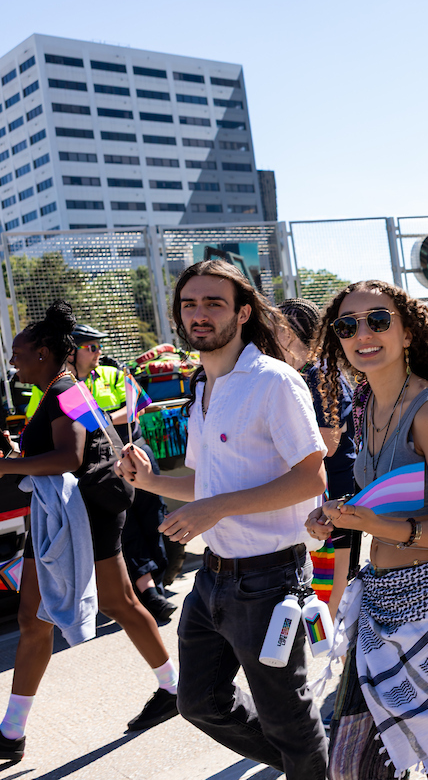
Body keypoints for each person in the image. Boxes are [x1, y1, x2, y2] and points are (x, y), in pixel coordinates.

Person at [116, 261, 329, 779]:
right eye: (190, 304)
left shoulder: (273, 382)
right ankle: (321, 766)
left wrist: (216, 508)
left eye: (214, 303)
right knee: (199, 703)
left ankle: (316, 765)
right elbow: (203, 484)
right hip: (212, 579)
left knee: (289, 720)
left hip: (270, 580)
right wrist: (148, 481)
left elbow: (312, 480)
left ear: (243, 312)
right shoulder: (203, 389)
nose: (200, 314)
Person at [306, 280, 428, 779]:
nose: (362, 333)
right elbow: (381, 497)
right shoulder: (366, 403)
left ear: (407, 332)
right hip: (381, 602)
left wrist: (377, 525)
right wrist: (338, 514)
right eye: (348, 325)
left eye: (378, 320)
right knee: (352, 765)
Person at [0, 302, 179, 763]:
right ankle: (11, 730)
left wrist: (8, 464)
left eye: (18, 354)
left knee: (98, 606)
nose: (13, 363)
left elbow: (70, 457)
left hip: (82, 515)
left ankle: (12, 732)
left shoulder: (62, 391)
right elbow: (83, 443)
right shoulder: (68, 389)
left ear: (43, 352)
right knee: (45, 615)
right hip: (82, 512)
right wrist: (20, 449)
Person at [25, 324, 177, 622]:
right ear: (73, 351)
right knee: (128, 527)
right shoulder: (57, 386)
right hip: (103, 467)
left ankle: (155, 583)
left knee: (152, 516)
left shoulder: (110, 373)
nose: (98, 352)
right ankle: (149, 592)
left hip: (135, 451)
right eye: (91, 347)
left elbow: (140, 405)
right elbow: (35, 421)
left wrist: (100, 418)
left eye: (99, 347)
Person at [277, 297, 357, 616]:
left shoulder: (321, 374)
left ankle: (346, 660)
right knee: (317, 592)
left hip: (336, 495)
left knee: (333, 597)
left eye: (277, 329)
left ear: (294, 333)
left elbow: (329, 444)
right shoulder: (292, 373)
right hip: (314, 495)